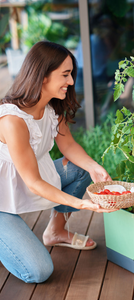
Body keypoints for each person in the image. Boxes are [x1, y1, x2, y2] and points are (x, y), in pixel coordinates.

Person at [0, 41, 118, 284]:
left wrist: (94, 166)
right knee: (39, 271)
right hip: (4, 199)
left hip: (31, 180)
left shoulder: (52, 106)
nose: (72, 81)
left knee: (80, 168)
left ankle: (56, 232)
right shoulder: (12, 120)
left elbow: (69, 146)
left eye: (71, 74)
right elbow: (32, 182)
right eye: (65, 75)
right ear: (42, 76)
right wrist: (80, 204)